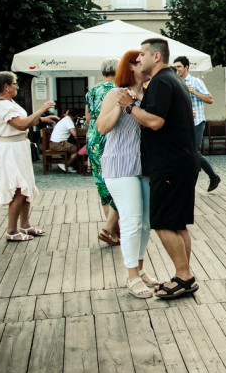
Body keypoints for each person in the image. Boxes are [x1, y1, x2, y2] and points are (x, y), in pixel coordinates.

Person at [117, 38, 200, 300]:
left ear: (156, 57)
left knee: (163, 224)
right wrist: (142, 97)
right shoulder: (171, 80)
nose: (138, 59)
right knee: (178, 225)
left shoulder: (162, 81)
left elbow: (154, 121)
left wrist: (128, 106)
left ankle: (183, 277)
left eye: (142, 54)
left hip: (170, 165)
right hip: (182, 162)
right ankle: (183, 276)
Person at [97, 50, 163, 298]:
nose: (146, 64)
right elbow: (102, 127)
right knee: (131, 220)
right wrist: (122, 104)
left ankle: (141, 268)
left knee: (145, 222)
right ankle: (131, 275)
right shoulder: (114, 93)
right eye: (140, 62)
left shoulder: (148, 94)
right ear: (131, 67)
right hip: (119, 165)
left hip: (144, 165)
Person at [0, 72, 58, 242]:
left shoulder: (9, 103)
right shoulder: (2, 106)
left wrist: (42, 119)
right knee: (18, 188)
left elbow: (24, 120)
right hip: (10, 149)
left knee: (26, 185)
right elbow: (21, 124)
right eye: (15, 84)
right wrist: (41, 110)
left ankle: (25, 225)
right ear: (6, 87)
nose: (17, 87)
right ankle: (11, 231)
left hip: (19, 147)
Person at [173, 56, 221, 192]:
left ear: (186, 67)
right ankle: (198, 179)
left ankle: (211, 177)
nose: (176, 69)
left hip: (197, 121)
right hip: (181, 124)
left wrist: (193, 92)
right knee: (186, 153)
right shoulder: (175, 81)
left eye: (179, 67)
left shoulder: (195, 81)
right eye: (175, 67)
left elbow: (210, 99)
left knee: (194, 152)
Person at [85, 59, 120, 246]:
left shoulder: (92, 91)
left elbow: (88, 117)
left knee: (103, 186)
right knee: (117, 182)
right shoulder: (115, 90)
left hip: (92, 138)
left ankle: (113, 232)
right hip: (108, 137)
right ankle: (110, 229)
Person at [48, 109, 79, 173]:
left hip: (54, 143)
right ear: (76, 116)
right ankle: (66, 165)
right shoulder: (69, 121)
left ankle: (71, 165)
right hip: (59, 144)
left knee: (72, 147)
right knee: (77, 150)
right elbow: (74, 134)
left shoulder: (65, 119)